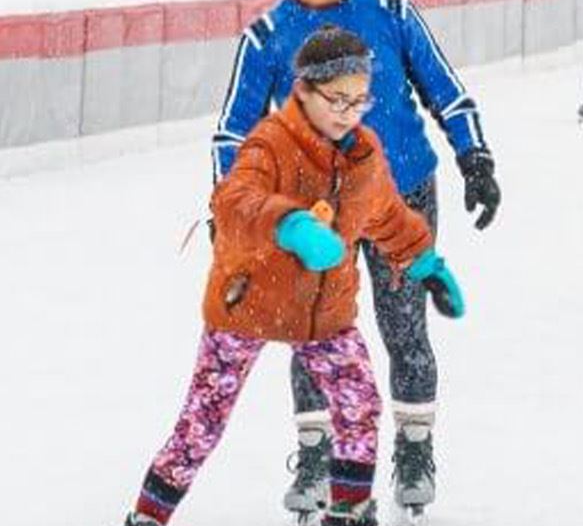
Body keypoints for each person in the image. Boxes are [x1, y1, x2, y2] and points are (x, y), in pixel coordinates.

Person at [211, 0, 499, 521]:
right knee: (314, 332)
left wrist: (474, 157)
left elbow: (446, 90)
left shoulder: (392, 15)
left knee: (405, 329)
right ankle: (316, 460)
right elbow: (234, 130)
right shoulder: (268, 34)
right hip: (315, 214)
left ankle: (415, 451)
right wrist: (230, 206)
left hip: (402, 193)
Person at [136, 28, 466, 526]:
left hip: (324, 313)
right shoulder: (270, 142)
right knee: (203, 422)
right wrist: (289, 225)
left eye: (359, 100)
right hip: (246, 301)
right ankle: (147, 516)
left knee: (359, 404)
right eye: (336, 99)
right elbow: (233, 201)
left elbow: (386, 216)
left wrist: (426, 264)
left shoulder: (363, 155)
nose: (348, 111)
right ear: (305, 91)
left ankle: (348, 512)